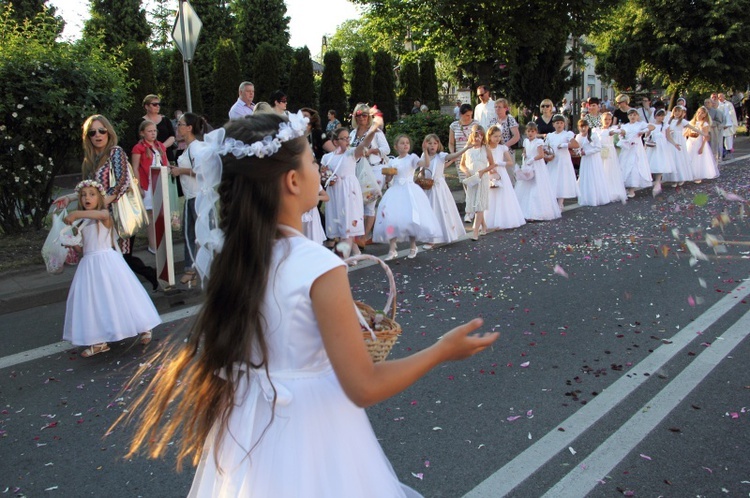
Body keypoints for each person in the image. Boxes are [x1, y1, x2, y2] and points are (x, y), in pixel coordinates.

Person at [121, 112, 499, 497]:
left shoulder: (231, 258)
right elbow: (363, 385)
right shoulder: (319, 265)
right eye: (312, 163)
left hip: (247, 429)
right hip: (313, 432)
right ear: (292, 181)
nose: (319, 169)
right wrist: (441, 350)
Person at [54, 115, 160, 291]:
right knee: (108, 257)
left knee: (122, 257)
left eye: (102, 130)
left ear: (109, 132)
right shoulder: (91, 159)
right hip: (98, 217)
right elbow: (89, 190)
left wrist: (103, 205)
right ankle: (116, 294)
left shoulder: (115, 152)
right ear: (87, 136)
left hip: (117, 216)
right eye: (92, 132)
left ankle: (145, 281)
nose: (98, 135)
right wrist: (70, 198)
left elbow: (122, 183)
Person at [62, 180, 160, 357]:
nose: (87, 198)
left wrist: (75, 213)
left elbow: (101, 216)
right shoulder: (81, 223)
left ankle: (144, 326)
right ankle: (98, 340)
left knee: (122, 295)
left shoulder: (103, 214)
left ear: (100, 197)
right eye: (83, 195)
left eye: (92, 194)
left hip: (107, 262)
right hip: (89, 265)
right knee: (93, 302)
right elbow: (84, 249)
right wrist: (72, 245)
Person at [373, 134, 441, 260]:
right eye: (402, 143)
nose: (405, 145)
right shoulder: (392, 161)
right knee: (391, 218)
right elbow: (389, 179)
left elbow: (425, 164)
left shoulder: (412, 158)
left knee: (410, 218)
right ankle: (392, 249)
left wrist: (425, 150)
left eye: (407, 143)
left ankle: (413, 246)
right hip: (396, 190)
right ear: (396, 146)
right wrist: (388, 175)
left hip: (410, 190)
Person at [323, 122, 381, 262]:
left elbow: (364, 144)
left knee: (348, 224)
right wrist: (327, 178)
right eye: (344, 138)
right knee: (341, 223)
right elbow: (324, 174)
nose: (347, 140)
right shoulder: (327, 157)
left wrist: (372, 132)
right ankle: (356, 254)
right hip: (335, 192)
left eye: (348, 138)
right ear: (335, 141)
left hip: (349, 192)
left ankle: (342, 258)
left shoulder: (351, 153)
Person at [170, 112, 203, 286]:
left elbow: (202, 172)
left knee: (196, 234)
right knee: (189, 234)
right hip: (191, 197)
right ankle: (192, 270)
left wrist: (180, 171)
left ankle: (196, 270)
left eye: (180, 124)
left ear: (189, 128)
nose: (178, 127)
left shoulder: (196, 148)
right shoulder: (189, 148)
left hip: (197, 198)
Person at [420, 134, 471, 248]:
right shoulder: (424, 155)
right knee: (430, 211)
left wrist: (466, 148)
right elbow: (423, 169)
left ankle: (438, 237)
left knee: (441, 210)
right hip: (428, 187)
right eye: (430, 143)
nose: (432, 145)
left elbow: (453, 155)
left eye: (435, 143)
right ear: (425, 144)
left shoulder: (441, 156)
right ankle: (432, 236)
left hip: (439, 188)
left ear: (438, 145)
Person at [349, 103, 390, 245]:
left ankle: (364, 237)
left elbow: (387, 149)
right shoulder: (352, 133)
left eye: (364, 115)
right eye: (358, 115)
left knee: (370, 203)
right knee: (358, 203)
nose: (362, 118)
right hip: (358, 170)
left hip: (375, 169)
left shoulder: (376, 132)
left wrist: (372, 151)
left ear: (369, 117)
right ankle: (359, 234)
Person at [131, 120, 168, 254]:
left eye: (154, 131)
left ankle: (163, 241)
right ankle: (153, 244)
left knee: (162, 213)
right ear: (142, 133)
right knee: (151, 215)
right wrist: (138, 186)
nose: (153, 134)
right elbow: (135, 168)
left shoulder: (160, 146)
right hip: (147, 184)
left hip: (160, 182)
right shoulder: (138, 148)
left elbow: (166, 162)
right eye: (150, 131)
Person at [514, 122, 561, 221]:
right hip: (528, 164)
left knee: (536, 187)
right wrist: (524, 155)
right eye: (529, 131)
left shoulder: (538, 142)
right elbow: (525, 151)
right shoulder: (526, 141)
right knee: (526, 185)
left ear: (536, 132)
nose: (530, 133)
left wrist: (533, 159)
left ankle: (536, 212)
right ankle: (524, 211)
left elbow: (541, 155)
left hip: (537, 165)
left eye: (532, 131)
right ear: (526, 132)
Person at [484, 125, 526, 230]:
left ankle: (503, 219)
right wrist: (489, 167)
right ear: (489, 137)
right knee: (491, 196)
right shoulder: (486, 148)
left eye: (499, 136)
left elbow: (510, 161)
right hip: (489, 171)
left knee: (502, 195)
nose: (498, 139)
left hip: (501, 173)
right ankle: (489, 220)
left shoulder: (502, 148)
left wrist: (500, 163)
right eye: (495, 136)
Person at [459, 124, 495, 240]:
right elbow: (462, 165)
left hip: (482, 178)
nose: (477, 138)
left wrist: (483, 171)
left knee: (480, 204)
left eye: (479, 135)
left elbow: (492, 164)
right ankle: (484, 226)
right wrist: (467, 172)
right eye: (475, 135)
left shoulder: (485, 148)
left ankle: (475, 232)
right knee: (475, 203)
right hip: (472, 179)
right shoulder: (467, 148)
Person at [449, 103, 479, 223]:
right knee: (466, 184)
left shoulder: (475, 124)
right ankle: (469, 211)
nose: (469, 117)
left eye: (470, 115)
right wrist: (453, 154)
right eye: (466, 115)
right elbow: (451, 143)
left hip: (473, 157)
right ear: (461, 114)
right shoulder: (454, 125)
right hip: (460, 158)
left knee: (474, 183)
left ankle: (476, 210)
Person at [545, 114, 580, 210]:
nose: (559, 125)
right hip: (553, 160)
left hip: (563, 160)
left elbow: (575, 144)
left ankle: (560, 202)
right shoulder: (550, 135)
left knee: (562, 180)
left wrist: (565, 145)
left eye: (561, 123)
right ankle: (552, 201)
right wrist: (548, 154)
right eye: (557, 123)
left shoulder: (567, 134)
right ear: (553, 124)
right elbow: (546, 147)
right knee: (552, 179)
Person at [617, 109, 654, 197]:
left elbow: (652, 127)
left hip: (637, 148)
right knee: (625, 165)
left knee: (635, 165)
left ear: (637, 116)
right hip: (627, 148)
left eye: (634, 115)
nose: (632, 117)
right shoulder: (625, 126)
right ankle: (625, 186)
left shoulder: (641, 124)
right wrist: (622, 137)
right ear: (628, 116)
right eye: (630, 115)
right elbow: (621, 134)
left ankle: (632, 189)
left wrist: (643, 131)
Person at [592, 112, 628, 203]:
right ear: (601, 120)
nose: (607, 121)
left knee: (609, 170)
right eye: (605, 119)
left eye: (609, 119)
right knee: (600, 170)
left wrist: (618, 131)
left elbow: (621, 132)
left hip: (609, 151)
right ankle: (599, 190)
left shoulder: (612, 129)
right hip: (600, 151)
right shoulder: (596, 130)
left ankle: (610, 189)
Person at [575, 120, 610, 207]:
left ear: (588, 127)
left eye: (585, 127)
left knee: (594, 176)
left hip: (593, 159)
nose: (583, 129)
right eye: (581, 127)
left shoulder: (593, 136)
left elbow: (598, 148)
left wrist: (586, 152)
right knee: (585, 176)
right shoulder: (578, 137)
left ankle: (596, 197)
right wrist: (579, 152)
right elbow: (577, 147)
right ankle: (586, 197)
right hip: (585, 160)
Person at [662, 105, 698, 186]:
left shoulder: (682, 121)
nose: (677, 113)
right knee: (672, 159)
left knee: (680, 158)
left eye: (679, 111)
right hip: (671, 140)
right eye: (675, 111)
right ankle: (674, 179)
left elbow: (692, 127)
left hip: (679, 139)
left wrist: (701, 132)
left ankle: (682, 177)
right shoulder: (669, 121)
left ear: (682, 113)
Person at [644, 109, 675, 196]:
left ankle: (658, 182)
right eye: (659, 115)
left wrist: (674, 144)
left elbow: (668, 137)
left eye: (663, 116)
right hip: (653, 146)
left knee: (660, 163)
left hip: (662, 147)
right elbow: (646, 136)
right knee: (651, 163)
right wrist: (645, 145)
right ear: (655, 116)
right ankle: (652, 180)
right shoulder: (651, 125)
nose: (661, 117)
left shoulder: (665, 126)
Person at [687, 105, 719, 182]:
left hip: (699, 142)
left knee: (698, 159)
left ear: (705, 115)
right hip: (691, 141)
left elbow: (705, 136)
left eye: (702, 113)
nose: (699, 114)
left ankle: (698, 175)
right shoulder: (692, 122)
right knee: (689, 157)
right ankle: (690, 174)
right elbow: (687, 132)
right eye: (698, 112)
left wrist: (702, 147)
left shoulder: (704, 124)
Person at [141, 94, 176, 163]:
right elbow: (140, 139)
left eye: (159, 104)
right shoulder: (141, 122)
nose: (158, 106)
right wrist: (155, 149)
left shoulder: (165, 120)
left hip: (167, 155)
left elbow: (172, 136)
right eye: (154, 104)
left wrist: (161, 147)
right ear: (146, 106)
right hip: (149, 156)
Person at [717, 93, 738, 158]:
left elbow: (731, 114)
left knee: (728, 137)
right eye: (719, 96)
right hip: (720, 125)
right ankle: (722, 151)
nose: (720, 97)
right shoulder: (717, 104)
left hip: (728, 124)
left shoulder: (728, 104)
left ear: (724, 96)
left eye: (721, 96)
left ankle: (728, 150)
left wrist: (728, 123)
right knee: (720, 139)